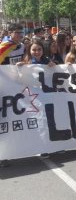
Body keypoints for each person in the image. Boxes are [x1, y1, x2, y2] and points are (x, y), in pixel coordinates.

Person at [0, 24, 25, 168]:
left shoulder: (21, 46)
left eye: (21, 32)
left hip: (14, 86)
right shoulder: (5, 45)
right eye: (17, 32)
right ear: (10, 33)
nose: (20, 35)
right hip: (4, 86)